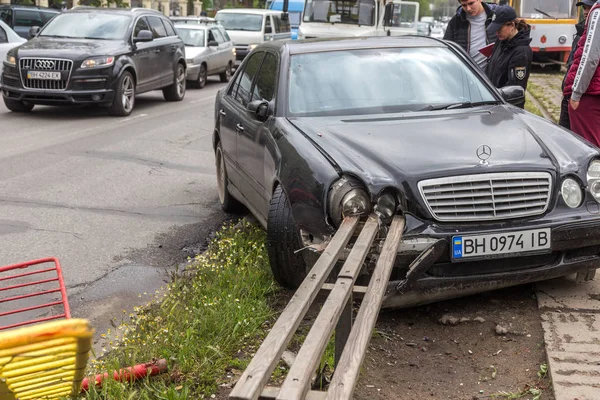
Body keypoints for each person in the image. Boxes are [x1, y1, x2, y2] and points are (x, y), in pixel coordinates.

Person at [563, 0, 600, 147]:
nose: (586, 11)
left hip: (588, 94)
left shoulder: (597, 12)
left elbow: (590, 57)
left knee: (587, 149)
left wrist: (576, 93)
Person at [485, 5, 533, 108]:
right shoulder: (501, 40)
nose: (496, 32)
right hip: (493, 101)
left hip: (507, 108)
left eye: (499, 29)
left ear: (511, 25)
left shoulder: (521, 52)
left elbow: (515, 88)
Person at [559, 0, 593, 129]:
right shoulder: (580, 32)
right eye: (584, 7)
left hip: (581, 99)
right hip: (569, 94)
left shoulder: (593, 36)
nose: (585, 11)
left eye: (589, 7)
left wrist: (576, 94)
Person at [443, 0, 498, 72]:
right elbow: (446, 50)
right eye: (464, 5)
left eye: (471, 3)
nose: (468, 8)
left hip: (493, 75)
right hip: (466, 75)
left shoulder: (496, 16)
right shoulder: (455, 21)